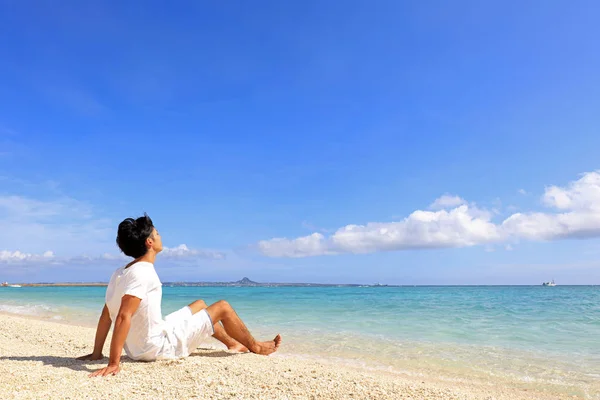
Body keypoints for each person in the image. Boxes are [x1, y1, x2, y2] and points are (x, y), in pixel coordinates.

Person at [77, 213, 282, 377]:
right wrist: (114, 363)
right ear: (149, 242)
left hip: (145, 341)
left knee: (200, 304)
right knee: (223, 307)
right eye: (157, 233)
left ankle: (233, 343)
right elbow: (122, 316)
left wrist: (97, 354)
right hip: (155, 347)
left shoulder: (121, 272)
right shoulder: (144, 272)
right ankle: (256, 347)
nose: (160, 236)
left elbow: (106, 315)